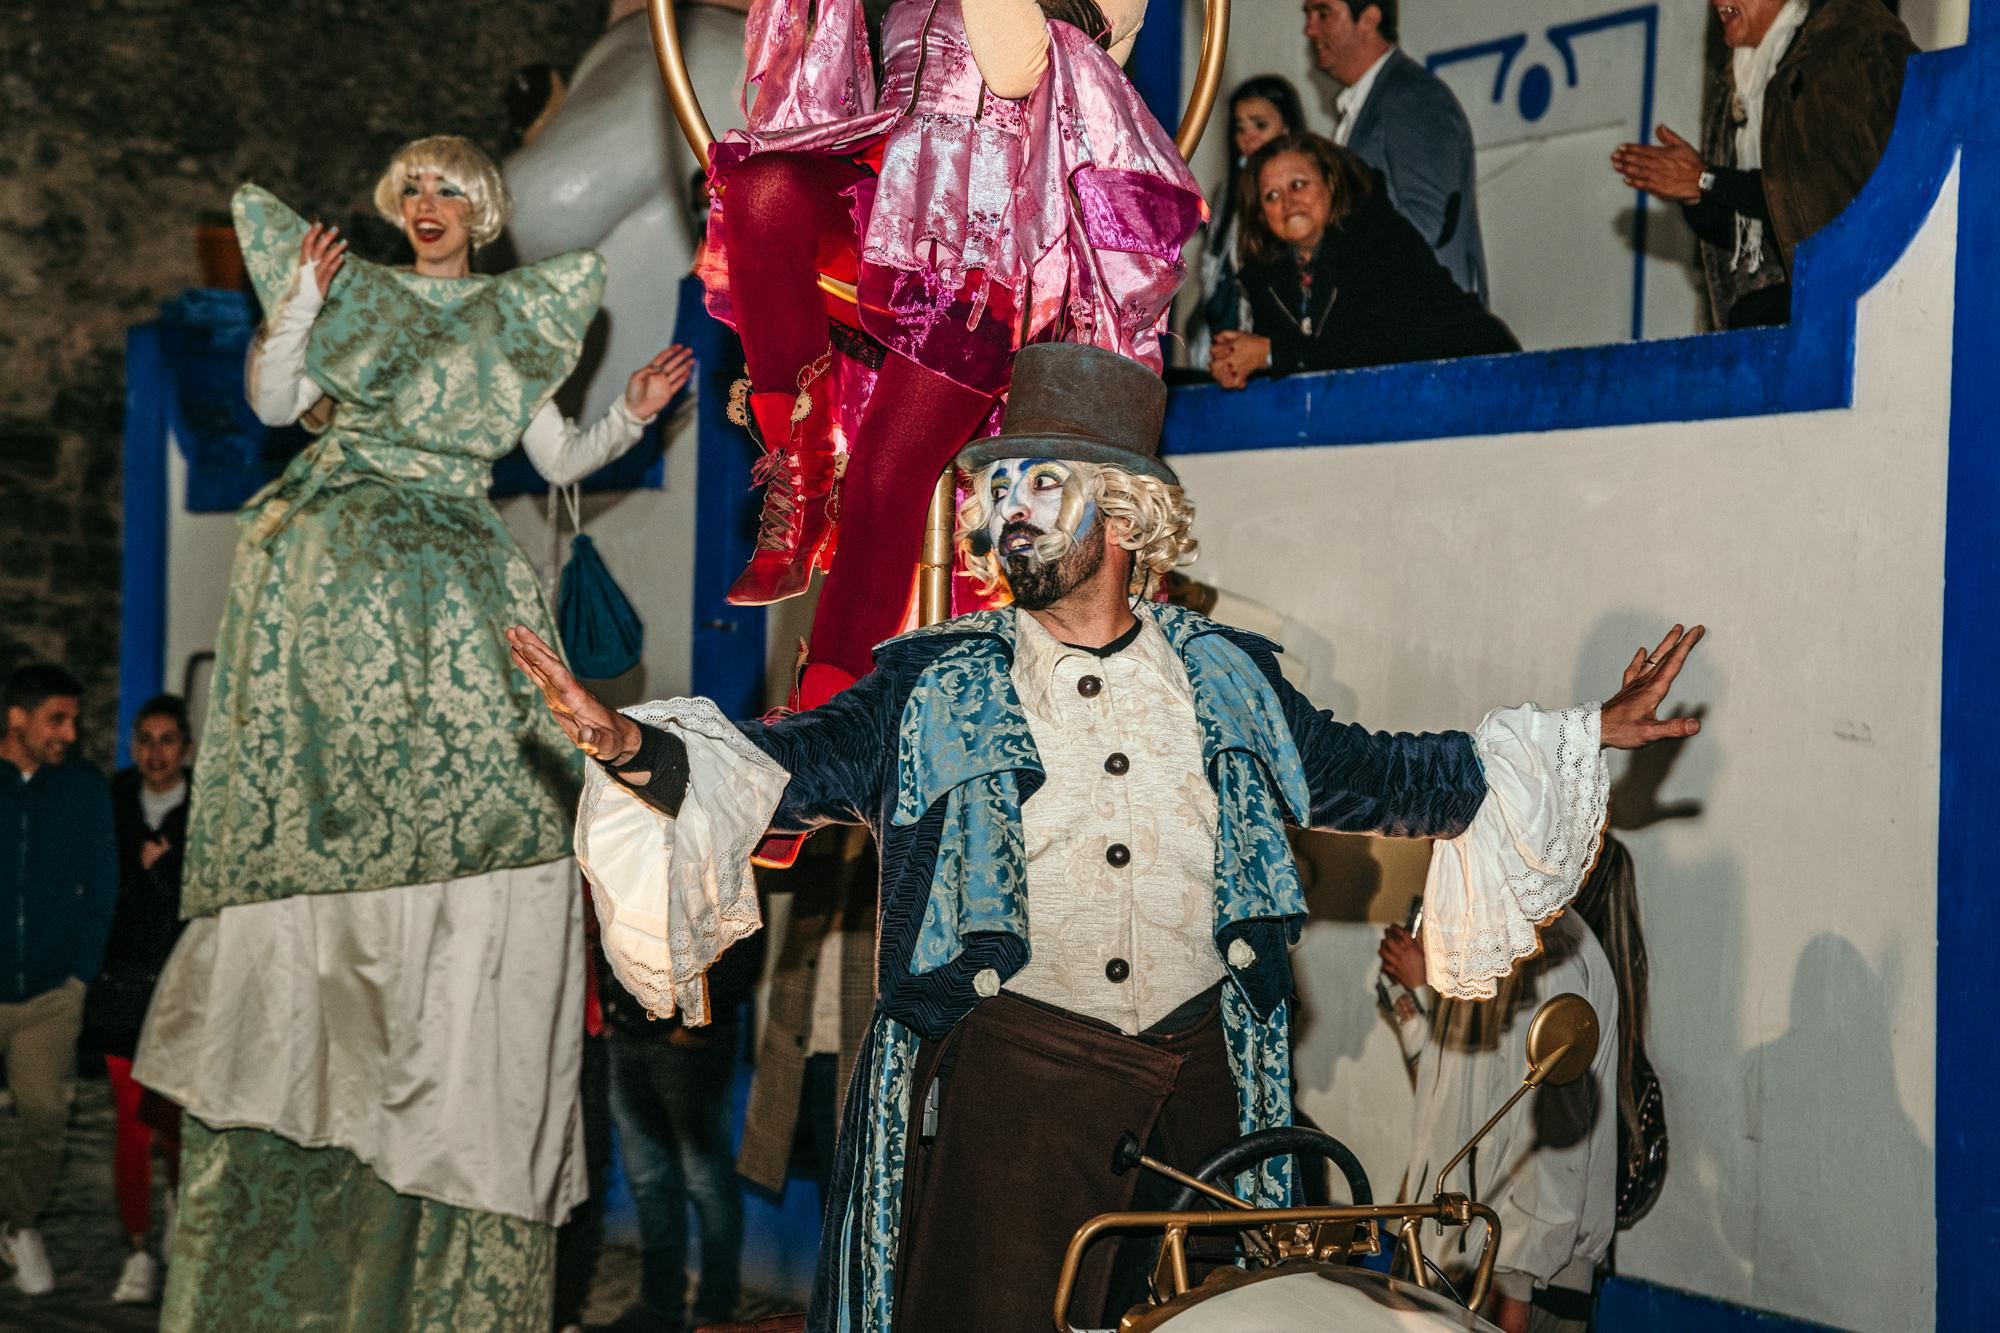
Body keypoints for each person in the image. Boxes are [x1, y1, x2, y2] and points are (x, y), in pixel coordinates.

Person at [508, 341, 1706, 1333]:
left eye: (1040, 485)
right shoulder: (931, 684)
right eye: (999, 489)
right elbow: (784, 769)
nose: (1008, 514)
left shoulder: (1229, 678)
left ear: (1122, 511)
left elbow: (1386, 777)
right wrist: (631, 745)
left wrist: (1584, 732)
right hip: (1009, 1103)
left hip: (1204, 1093)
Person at [130, 135, 694, 1331]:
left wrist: (631, 415)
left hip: (457, 573)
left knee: (499, 799)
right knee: (327, 789)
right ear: (396, 205)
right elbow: (272, 403)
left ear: (481, 211)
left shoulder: (506, 320)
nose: (429, 204)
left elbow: (556, 456)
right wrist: (301, 302)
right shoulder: (359, 294)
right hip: (335, 560)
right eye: (415, 189)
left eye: (450, 190)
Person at [699, 0, 1204, 718]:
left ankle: (826, 731)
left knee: (883, 481)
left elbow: (1014, 67)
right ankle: (803, 470)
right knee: (764, 190)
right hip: (889, 211)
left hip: (998, 255)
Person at [1381, 905, 1619, 1333]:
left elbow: (1552, 1139)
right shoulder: (1483, 940)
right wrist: (1416, 997)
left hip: (1515, 1278)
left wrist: (1515, 1288)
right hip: (1455, 1259)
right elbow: (1455, 1100)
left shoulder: (1546, 953)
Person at [1610, 0, 1917, 328]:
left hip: (1873, 304)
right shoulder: (1735, 88)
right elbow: (1759, 236)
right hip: (1798, 308)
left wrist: (1708, 180)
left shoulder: (1851, 41)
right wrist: (1695, 195)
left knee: (1755, 314)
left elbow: (1827, 190)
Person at [1210, 133, 1518, 388]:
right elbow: (1297, 370)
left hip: (1486, 379)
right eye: (1272, 196)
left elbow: (1377, 345)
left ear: (1331, 183)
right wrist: (1236, 364)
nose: (1288, 202)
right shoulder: (1266, 278)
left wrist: (1269, 355)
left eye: (1298, 184)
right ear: (1261, 215)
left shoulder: (1378, 237)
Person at [0, 664, 117, 1299]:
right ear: (17, 718)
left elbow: (103, 885)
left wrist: (80, 975)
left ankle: (21, 1226)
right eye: (57, 719)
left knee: (45, 1118)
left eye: (74, 720)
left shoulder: (84, 788)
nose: (70, 733)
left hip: (50, 995)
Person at [597, 896, 766, 1333]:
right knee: (650, 1181)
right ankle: (661, 1306)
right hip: (626, 1034)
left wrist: (697, 1023)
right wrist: (608, 1005)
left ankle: (715, 1311)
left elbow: (743, 934)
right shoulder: (627, 857)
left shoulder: (707, 853)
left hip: (689, 1043)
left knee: (705, 1180)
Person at [81, 694, 193, 1305]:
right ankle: (137, 1250)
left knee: (172, 1119)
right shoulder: (113, 803)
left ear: (187, 747)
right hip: (122, 986)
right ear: (132, 746)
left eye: (167, 740)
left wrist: (165, 868)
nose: (155, 753)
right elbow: (96, 884)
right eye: (145, 740)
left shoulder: (205, 808)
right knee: (130, 1124)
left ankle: (176, 1205)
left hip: (182, 987)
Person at [1302, 0, 1489, 301]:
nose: (1310, 29)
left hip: (1423, 316)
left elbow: (1427, 224)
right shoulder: (1373, 102)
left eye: (1323, 14)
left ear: (1369, 18)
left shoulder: (1412, 97)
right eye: (1308, 15)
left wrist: (1331, 253)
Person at [738, 828, 878, 1211]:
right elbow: (758, 879)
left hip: (862, 1047)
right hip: (805, 1039)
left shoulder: (894, 836)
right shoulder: (814, 832)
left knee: (854, 1190)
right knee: (829, 1194)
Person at [1185, 75, 1308, 367]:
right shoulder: (1228, 194)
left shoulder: (1304, 193)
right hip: (1221, 333)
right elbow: (1213, 269)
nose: (1248, 138)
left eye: (1260, 125)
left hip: (1277, 340)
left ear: (1287, 127)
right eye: (1240, 128)